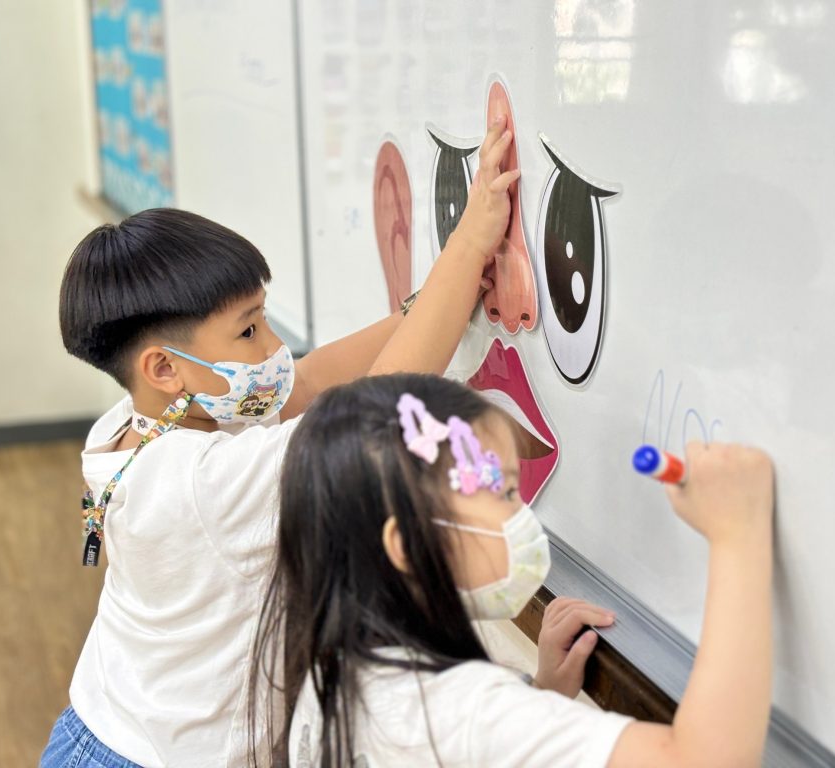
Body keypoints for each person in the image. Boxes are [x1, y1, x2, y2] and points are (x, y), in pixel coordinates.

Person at [40, 119, 522, 767]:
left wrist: (439, 296)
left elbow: (314, 379)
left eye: (264, 319)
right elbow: (373, 411)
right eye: (248, 332)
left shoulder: (141, 420)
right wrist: (468, 246)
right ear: (164, 368)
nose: (272, 349)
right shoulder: (204, 481)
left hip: (103, 722)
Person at [252, 373, 775, 767]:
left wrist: (541, 696)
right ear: (407, 544)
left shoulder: (336, 665)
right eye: (503, 491)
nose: (522, 513)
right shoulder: (457, 712)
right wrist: (738, 534)